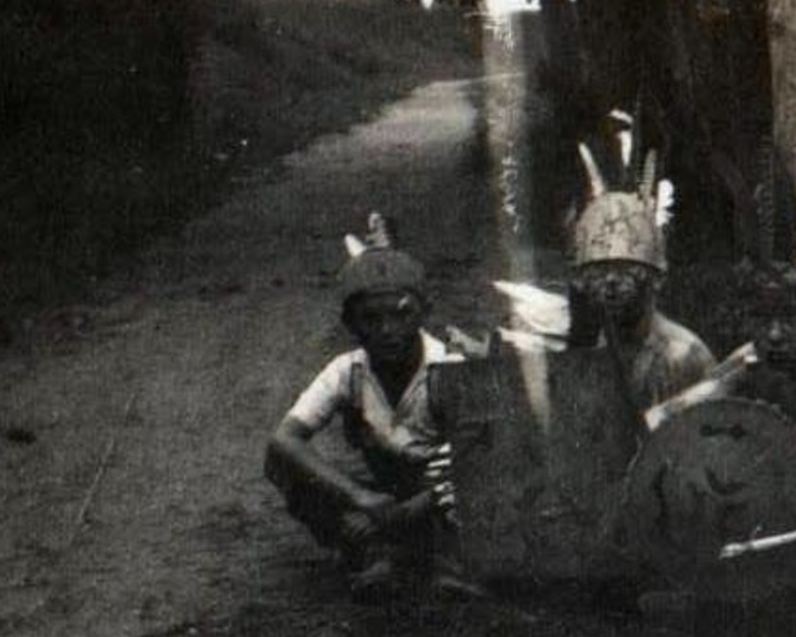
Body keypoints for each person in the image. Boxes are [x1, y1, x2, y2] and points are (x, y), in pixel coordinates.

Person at [265, 213, 477, 599]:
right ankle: (374, 551)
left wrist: (407, 510)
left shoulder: (448, 367)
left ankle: (445, 557)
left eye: (401, 314)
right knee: (283, 464)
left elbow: (476, 456)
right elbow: (285, 439)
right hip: (384, 490)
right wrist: (356, 497)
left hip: (436, 494)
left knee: (474, 479)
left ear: (422, 313)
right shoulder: (348, 371)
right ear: (351, 323)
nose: (387, 330)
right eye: (371, 319)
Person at [645, 196, 796, 487]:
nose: (774, 334)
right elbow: (685, 406)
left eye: (791, 316)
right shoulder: (752, 356)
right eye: (762, 318)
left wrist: (725, 465)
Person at [497, 131, 715, 412]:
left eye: (625, 271)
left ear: (654, 278)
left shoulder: (684, 358)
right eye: (599, 272)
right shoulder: (600, 348)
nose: (610, 282)